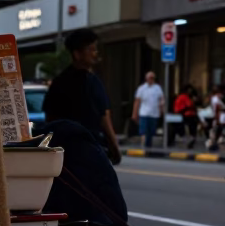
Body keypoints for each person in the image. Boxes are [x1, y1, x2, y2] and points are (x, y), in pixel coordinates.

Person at [42, 28, 122, 165]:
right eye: (90, 49)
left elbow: (50, 118)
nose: (95, 53)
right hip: (89, 149)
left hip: (64, 151)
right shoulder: (92, 82)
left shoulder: (59, 82)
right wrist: (115, 147)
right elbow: (104, 117)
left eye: (95, 49)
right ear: (77, 54)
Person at [131, 70, 165, 149]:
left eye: (152, 78)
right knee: (144, 131)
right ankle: (143, 147)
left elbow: (161, 100)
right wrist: (134, 113)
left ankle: (149, 147)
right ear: (146, 78)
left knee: (151, 132)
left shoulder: (157, 88)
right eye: (149, 78)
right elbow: (137, 101)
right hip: (144, 113)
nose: (151, 79)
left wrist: (161, 110)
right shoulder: (142, 88)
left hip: (154, 114)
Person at [172, 84, 199, 149]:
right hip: (184, 114)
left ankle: (191, 137)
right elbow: (189, 105)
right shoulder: (184, 97)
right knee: (193, 122)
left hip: (184, 114)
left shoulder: (182, 96)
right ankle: (191, 137)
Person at [207, 84, 225, 151]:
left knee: (217, 132)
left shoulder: (216, 99)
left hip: (219, 118)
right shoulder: (216, 99)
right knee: (216, 132)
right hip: (219, 118)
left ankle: (214, 145)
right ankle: (212, 146)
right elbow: (217, 109)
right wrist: (217, 119)